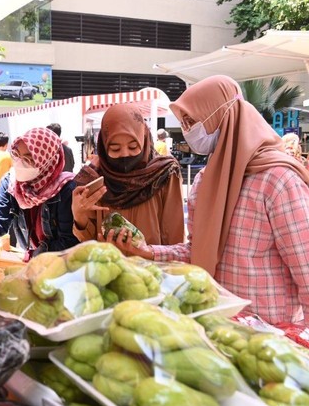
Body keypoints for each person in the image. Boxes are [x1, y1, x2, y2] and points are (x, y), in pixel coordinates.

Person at [121, 75, 309, 326]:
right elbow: (197, 250)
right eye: (184, 123)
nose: (188, 131)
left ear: (223, 116)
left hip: (272, 332)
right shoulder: (205, 180)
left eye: (192, 121)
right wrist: (149, 252)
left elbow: (306, 269)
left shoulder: (277, 180)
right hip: (219, 327)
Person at [72, 104, 185, 247]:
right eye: (115, 148)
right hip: (111, 267)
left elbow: (175, 239)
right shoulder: (95, 177)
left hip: (151, 268)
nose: (125, 155)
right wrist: (79, 215)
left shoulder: (164, 173)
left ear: (144, 140)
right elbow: (89, 242)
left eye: (133, 146)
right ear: (104, 145)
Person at [0, 127, 79, 261]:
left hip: (59, 268)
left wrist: (31, 256)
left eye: (28, 159)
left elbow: (69, 243)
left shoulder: (66, 189)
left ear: (47, 162)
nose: (20, 164)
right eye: (17, 155)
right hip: (31, 264)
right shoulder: (11, 184)